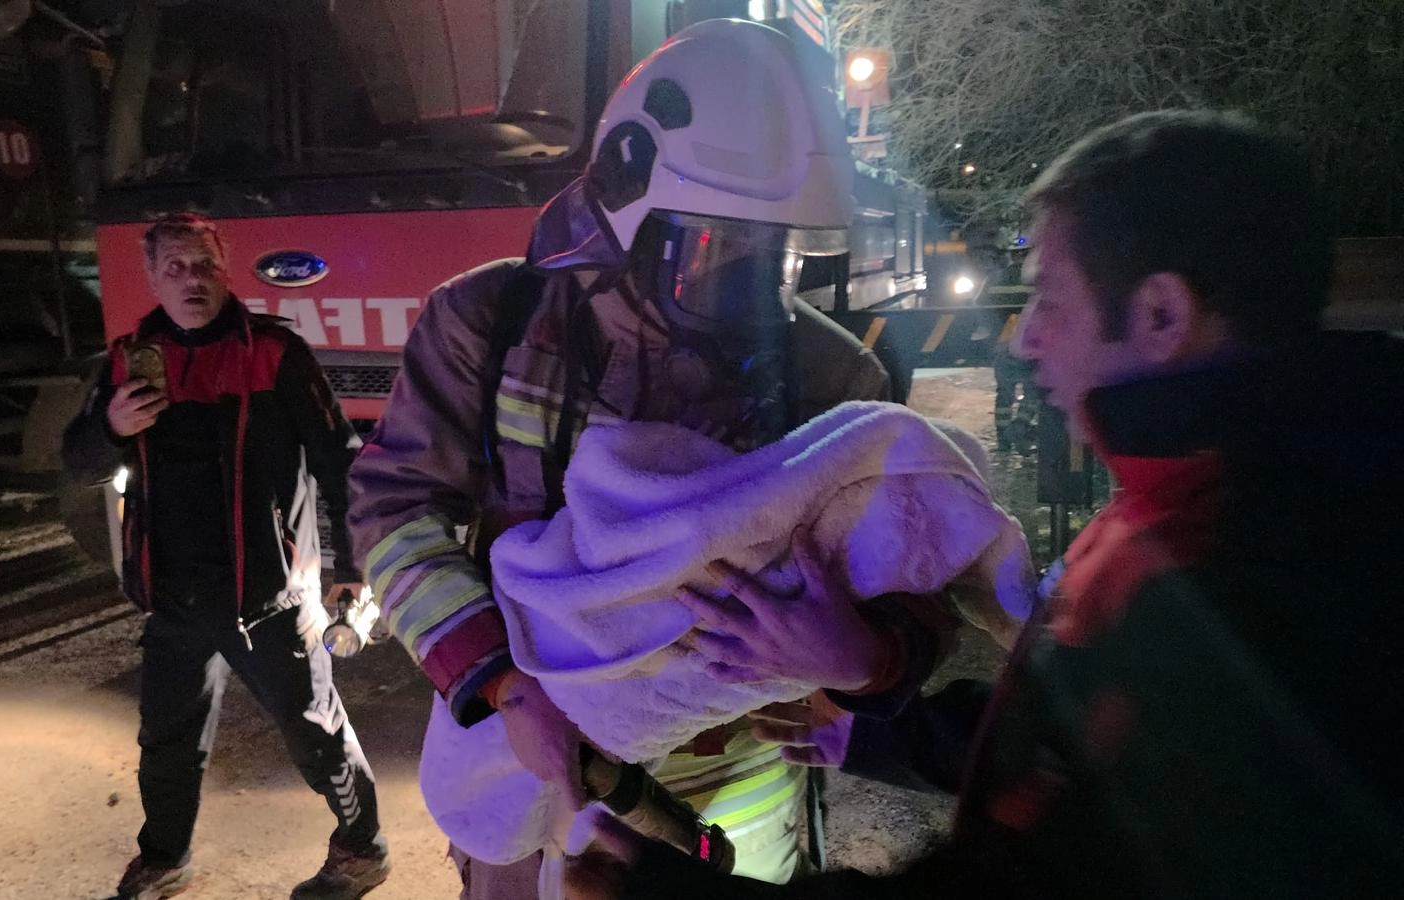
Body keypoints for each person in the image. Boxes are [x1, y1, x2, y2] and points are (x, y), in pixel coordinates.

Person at [572, 110, 1404, 898]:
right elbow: (1079, 754)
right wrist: (878, 727)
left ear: (1161, 313)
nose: (1023, 336)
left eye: (1049, 299)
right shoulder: (1233, 488)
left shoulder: (1254, 580)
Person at [347, 19, 966, 899]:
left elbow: (914, 580)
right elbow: (392, 512)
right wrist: (505, 686)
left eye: (777, 252)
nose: (747, 283)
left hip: (744, 775)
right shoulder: (488, 324)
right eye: (715, 246)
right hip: (539, 757)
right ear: (622, 206)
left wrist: (871, 658)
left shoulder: (834, 375)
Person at [62, 212, 389, 900]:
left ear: (226, 268)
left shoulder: (275, 353)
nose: (192, 281)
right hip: (173, 596)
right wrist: (110, 427)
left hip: (269, 597)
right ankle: (165, 859)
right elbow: (77, 460)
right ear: (152, 277)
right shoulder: (127, 361)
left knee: (316, 735)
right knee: (166, 742)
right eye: (174, 268)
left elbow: (340, 461)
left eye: (204, 265)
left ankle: (364, 849)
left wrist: (351, 568)